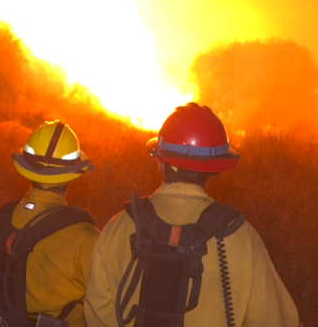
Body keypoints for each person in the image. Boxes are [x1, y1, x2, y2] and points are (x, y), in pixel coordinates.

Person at [83, 103, 300, 327]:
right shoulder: (240, 236)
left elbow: (96, 314)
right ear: (215, 168)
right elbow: (277, 321)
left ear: (161, 161)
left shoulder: (117, 228)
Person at [0, 121, 100, 327]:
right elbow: (103, 301)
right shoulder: (86, 237)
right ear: (73, 174)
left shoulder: (3, 221)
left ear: (26, 166)